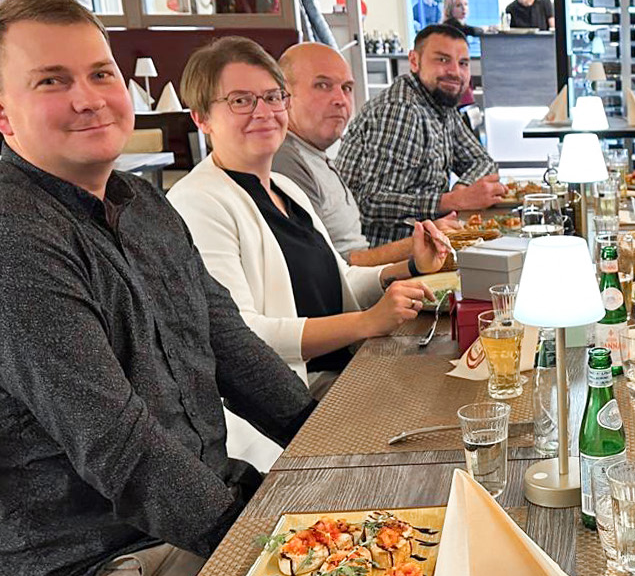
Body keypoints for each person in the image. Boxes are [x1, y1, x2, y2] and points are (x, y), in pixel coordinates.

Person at [0, 0, 314, 576]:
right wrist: (271, 550)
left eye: (101, 73)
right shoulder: (5, 246)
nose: (88, 98)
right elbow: (120, 446)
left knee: (398, 557)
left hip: (189, 524)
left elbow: (229, 346)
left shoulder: (139, 204)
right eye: (52, 81)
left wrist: (331, 452)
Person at [168, 36, 446, 401]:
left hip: (343, 370)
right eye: (241, 101)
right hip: (286, 401)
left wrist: (409, 266)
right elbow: (243, 333)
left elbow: (338, 280)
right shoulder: (196, 202)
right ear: (202, 118)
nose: (264, 112)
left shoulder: (284, 188)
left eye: (272, 97)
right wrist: (367, 321)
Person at [271, 43, 464, 266]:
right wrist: (420, 243)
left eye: (347, 88)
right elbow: (328, 272)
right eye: (322, 85)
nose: (340, 100)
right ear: (283, 94)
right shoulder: (285, 161)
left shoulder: (313, 152)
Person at [337, 23, 507, 246]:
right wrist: (452, 201)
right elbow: (370, 203)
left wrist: (462, 190)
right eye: (442, 60)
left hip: (424, 245)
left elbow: (482, 162)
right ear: (415, 61)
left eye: (463, 63)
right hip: (387, 258)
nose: (455, 72)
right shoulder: (402, 111)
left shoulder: (439, 103)